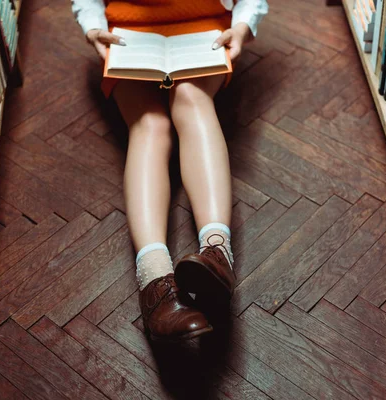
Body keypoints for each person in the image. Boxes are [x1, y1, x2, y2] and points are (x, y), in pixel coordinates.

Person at [72, 0, 268, 341]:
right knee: (150, 124)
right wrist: (92, 28)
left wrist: (243, 25)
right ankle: (154, 280)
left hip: (203, 28)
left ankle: (217, 252)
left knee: (191, 99)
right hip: (127, 35)